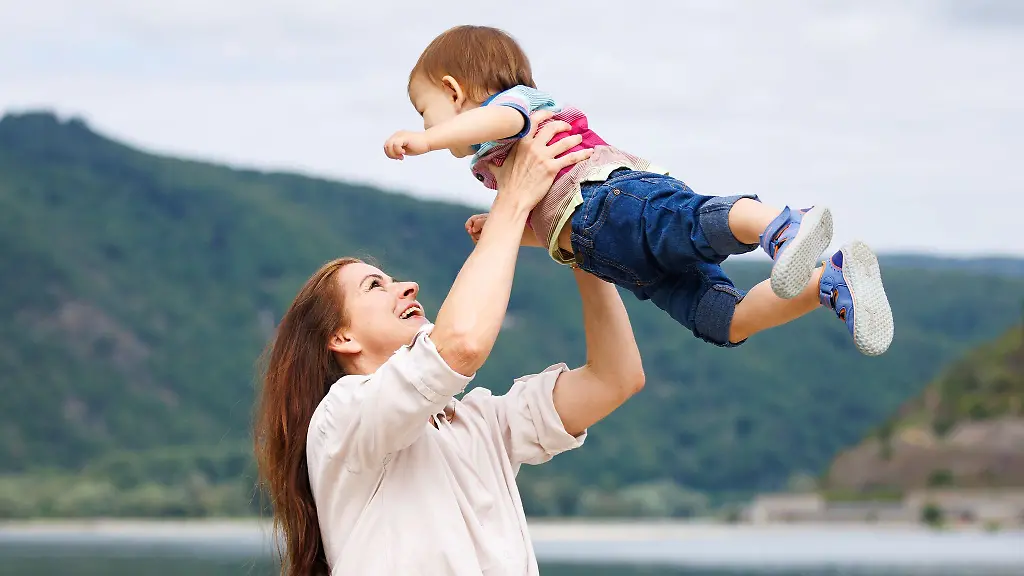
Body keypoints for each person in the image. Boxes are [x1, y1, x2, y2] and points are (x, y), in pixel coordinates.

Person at [254, 113, 646, 576]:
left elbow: (615, 379)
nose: (409, 286)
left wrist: (573, 240)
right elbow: (459, 345)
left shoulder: (477, 423)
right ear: (341, 338)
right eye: (375, 287)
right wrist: (513, 200)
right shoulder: (341, 420)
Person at [384, 25, 895, 356]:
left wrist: (426, 140)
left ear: (454, 93)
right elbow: (553, 223)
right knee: (723, 319)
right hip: (621, 259)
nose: (426, 122)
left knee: (688, 223)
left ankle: (781, 224)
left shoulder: (515, 107)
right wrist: (510, 232)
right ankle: (828, 281)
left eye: (425, 109)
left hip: (611, 199)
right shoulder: (500, 167)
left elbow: (500, 119)